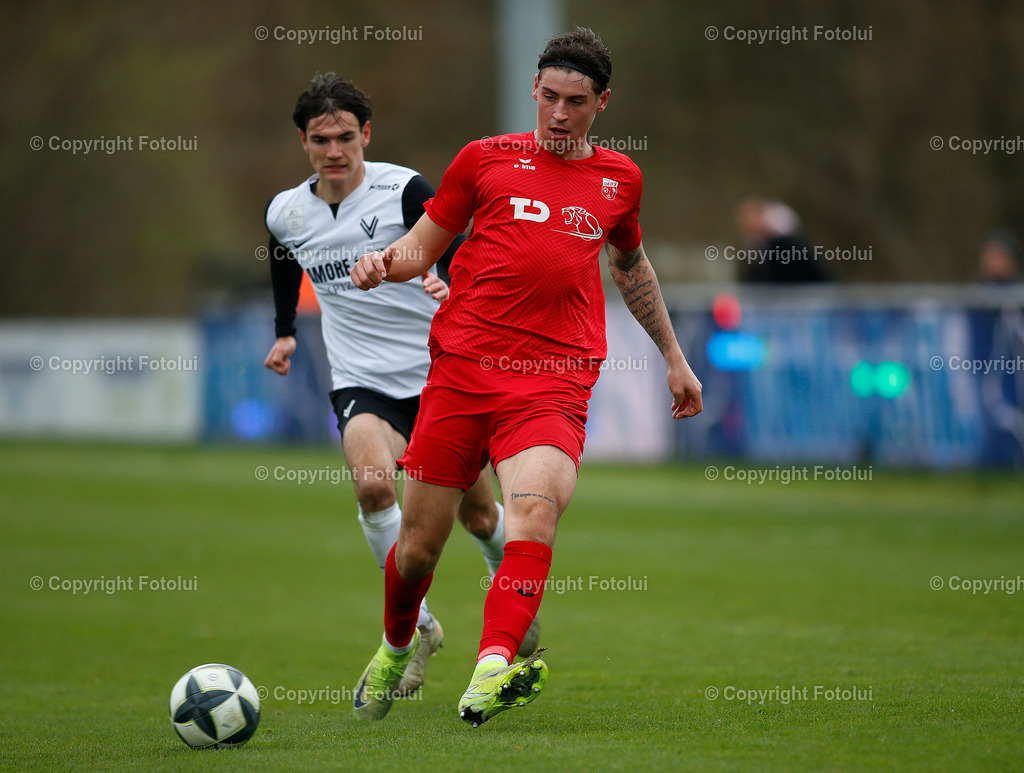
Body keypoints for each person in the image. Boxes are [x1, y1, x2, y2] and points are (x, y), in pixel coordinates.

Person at [348, 27, 703, 726]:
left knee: (533, 515)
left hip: (554, 380)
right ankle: (396, 645)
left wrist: (673, 354)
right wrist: (382, 263)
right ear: (534, 91)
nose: (560, 114)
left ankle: (490, 668)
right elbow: (424, 246)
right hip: (463, 371)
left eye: (576, 101)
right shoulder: (483, 160)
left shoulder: (620, 180)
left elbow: (629, 266)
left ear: (603, 102)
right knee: (418, 548)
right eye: (549, 97)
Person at [263, 73, 533, 697]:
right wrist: (285, 332)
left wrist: (444, 275)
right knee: (372, 487)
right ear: (303, 141)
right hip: (360, 378)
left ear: (367, 135)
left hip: (442, 376)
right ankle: (421, 627)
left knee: (480, 513)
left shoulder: (402, 188)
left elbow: (460, 242)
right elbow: (281, 257)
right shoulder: (287, 211)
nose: (335, 151)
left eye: (346, 137)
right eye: (321, 139)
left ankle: (508, 595)